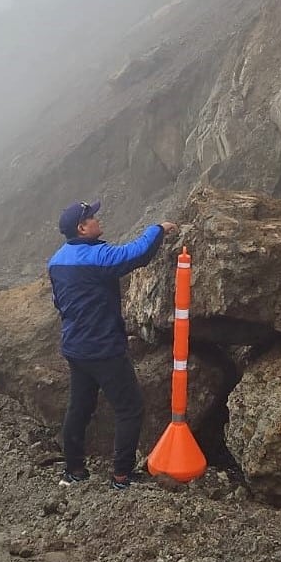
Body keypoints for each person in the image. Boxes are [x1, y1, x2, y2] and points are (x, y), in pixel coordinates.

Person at [47, 200, 178, 489]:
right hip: (103, 348)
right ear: (82, 228)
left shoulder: (56, 260)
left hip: (75, 347)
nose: (97, 219)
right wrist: (158, 229)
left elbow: (59, 302)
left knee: (79, 407)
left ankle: (74, 470)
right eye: (92, 217)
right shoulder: (96, 257)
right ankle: (121, 475)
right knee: (129, 407)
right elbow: (135, 254)